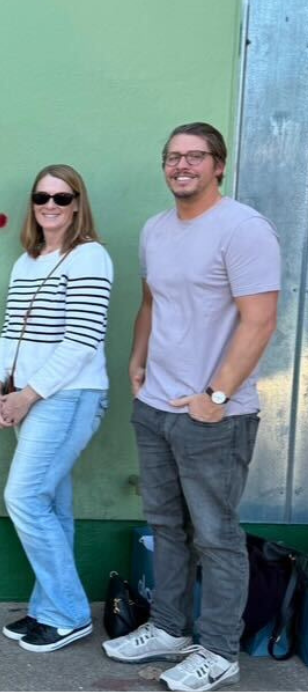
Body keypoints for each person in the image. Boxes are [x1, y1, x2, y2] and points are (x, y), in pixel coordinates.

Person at [102, 123, 280, 692]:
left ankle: (220, 651)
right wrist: (137, 358)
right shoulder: (156, 230)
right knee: (165, 526)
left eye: (195, 157)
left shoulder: (243, 229)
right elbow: (153, 300)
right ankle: (170, 630)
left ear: (218, 165)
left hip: (214, 415)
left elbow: (260, 321)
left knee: (216, 535)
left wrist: (216, 397)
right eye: (173, 157)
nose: (182, 166)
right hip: (156, 404)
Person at [0, 164, 113, 653]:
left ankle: (68, 612)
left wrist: (28, 394)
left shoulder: (89, 257)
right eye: (42, 196)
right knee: (51, 505)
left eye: (63, 198)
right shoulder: (29, 261)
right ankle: (47, 610)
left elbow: (82, 340)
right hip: (31, 397)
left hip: (68, 397)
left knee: (23, 498)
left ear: (78, 204)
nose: (51, 206)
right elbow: (10, 332)